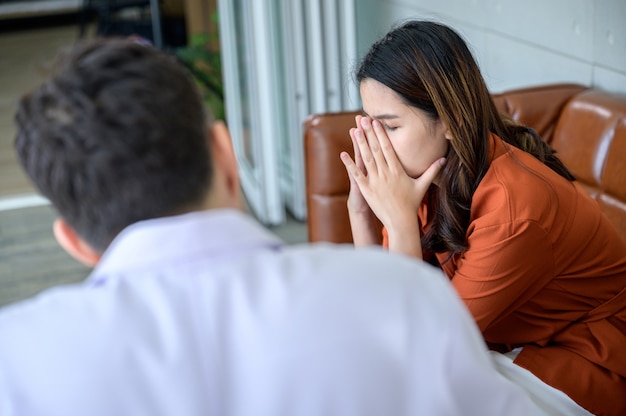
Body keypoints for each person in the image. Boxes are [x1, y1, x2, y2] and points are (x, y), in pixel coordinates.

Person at [0, 38, 540, 416]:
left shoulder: (16, 360)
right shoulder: (403, 295)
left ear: (72, 241)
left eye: (389, 125)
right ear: (227, 156)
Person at [340, 20, 626, 416]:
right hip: (509, 338)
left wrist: (398, 221)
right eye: (370, 124)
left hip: (586, 361)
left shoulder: (515, 208)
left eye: (389, 126)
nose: (375, 144)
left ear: (450, 120)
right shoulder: (427, 177)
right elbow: (386, 308)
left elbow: (420, 346)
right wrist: (361, 212)